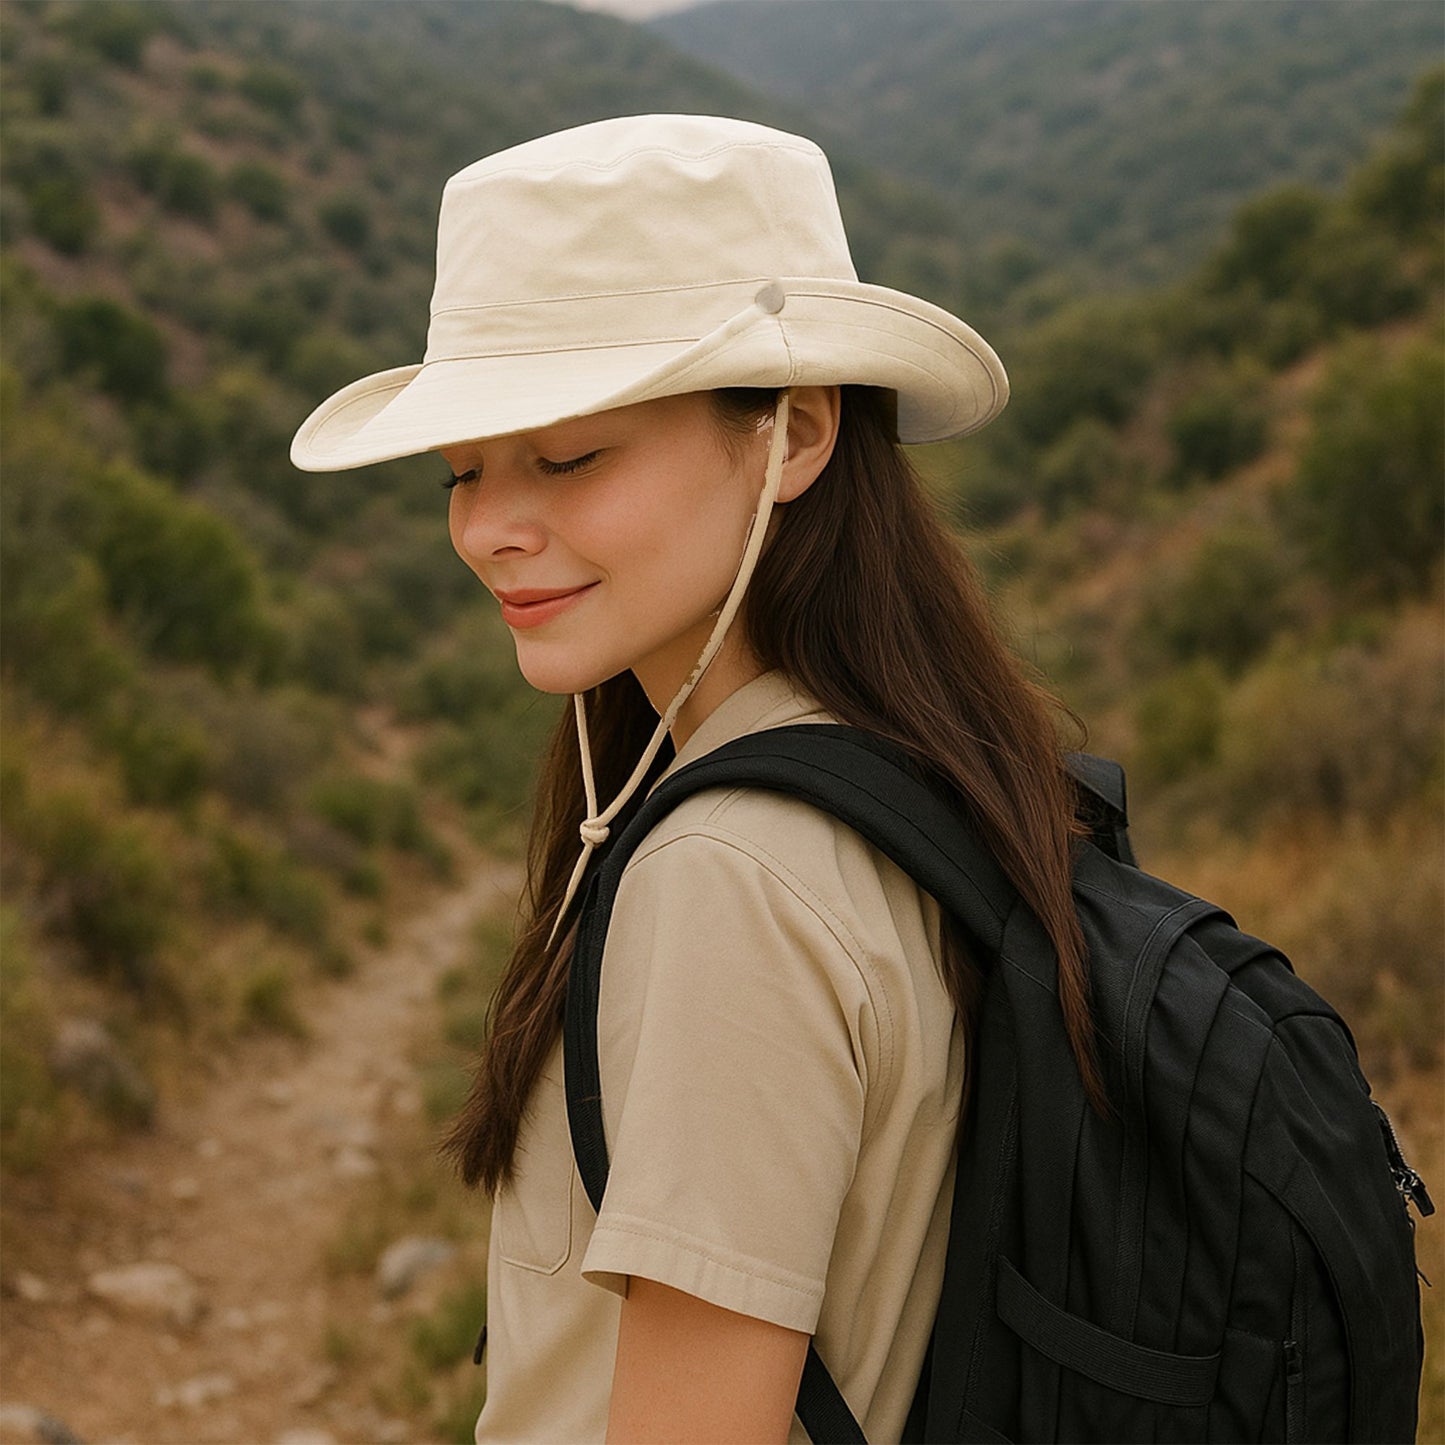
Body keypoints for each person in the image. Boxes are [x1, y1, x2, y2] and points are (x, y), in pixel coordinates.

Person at [291, 114, 1098, 1445]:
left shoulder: (730, 876)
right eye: (461, 473)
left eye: (568, 458)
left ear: (795, 434)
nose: (487, 528)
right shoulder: (925, 771)